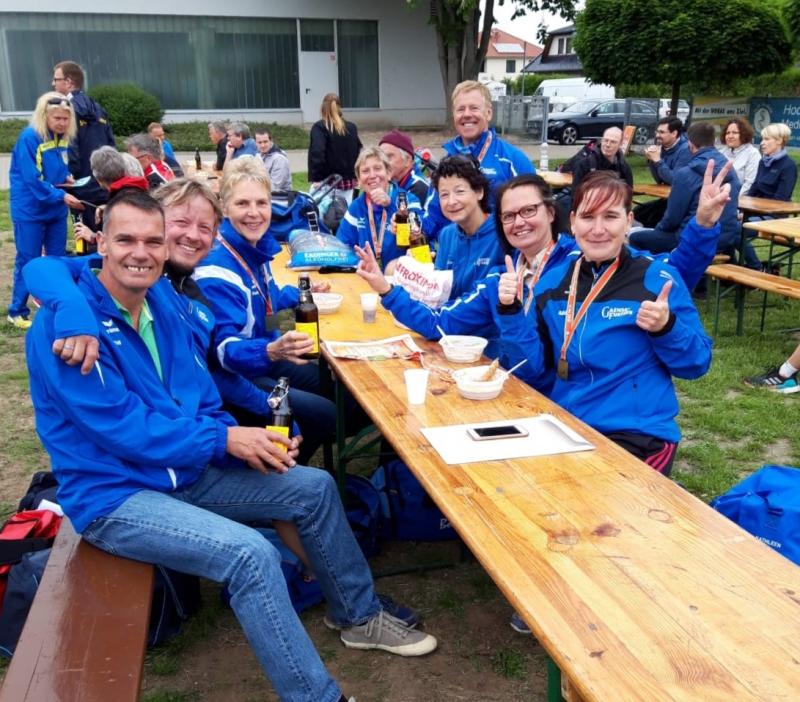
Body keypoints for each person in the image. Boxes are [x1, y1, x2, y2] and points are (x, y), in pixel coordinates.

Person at [25, 188, 437, 702]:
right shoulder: (67, 331)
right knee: (249, 556)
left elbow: (199, 390)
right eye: (126, 240)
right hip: (116, 497)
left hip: (183, 471)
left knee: (312, 488)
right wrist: (224, 438)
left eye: (153, 241)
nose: (141, 252)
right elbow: (122, 429)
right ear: (101, 243)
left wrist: (245, 441)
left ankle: (358, 616)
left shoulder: (162, 301)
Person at [355, 163, 732, 365]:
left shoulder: (582, 258)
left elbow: (669, 273)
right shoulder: (500, 280)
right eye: (509, 216)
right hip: (522, 386)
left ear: (551, 213)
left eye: (529, 211)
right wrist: (386, 290)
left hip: (580, 399)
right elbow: (442, 324)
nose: (519, 222)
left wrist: (702, 226)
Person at [193, 158, 341, 458]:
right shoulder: (217, 269)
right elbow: (223, 351)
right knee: (324, 413)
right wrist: (272, 350)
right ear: (224, 207)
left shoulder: (253, 247)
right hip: (238, 371)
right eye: (242, 203)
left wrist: (302, 293)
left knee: (334, 386)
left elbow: (266, 296)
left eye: (262, 203)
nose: (254, 212)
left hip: (264, 352)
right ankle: (286, 467)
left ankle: (299, 449)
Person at [422, 80, 534, 239]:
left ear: (489, 113)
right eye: (461, 109)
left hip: (500, 249)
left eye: (474, 108)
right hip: (458, 249)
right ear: (454, 115)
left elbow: (535, 212)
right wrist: (412, 225)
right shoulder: (446, 164)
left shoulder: (512, 160)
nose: (467, 114)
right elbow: (432, 218)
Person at [7, 92, 83, 329]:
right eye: (57, 118)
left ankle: (53, 304)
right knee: (28, 258)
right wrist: (62, 195)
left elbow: (57, 165)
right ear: (44, 116)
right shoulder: (30, 138)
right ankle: (17, 310)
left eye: (65, 119)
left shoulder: (62, 137)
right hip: (30, 208)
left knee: (57, 257)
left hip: (55, 208)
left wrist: (66, 177)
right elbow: (33, 178)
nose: (61, 123)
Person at [629, 122, 741, 257]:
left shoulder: (687, 173)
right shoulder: (729, 169)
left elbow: (672, 219)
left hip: (691, 239)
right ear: (714, 141)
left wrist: (658, 232)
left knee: (635, 238)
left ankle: (655, 269)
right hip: (723, 239)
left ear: (690, 144)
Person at [51, 60, 116, 230]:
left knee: (84, 234)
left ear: (68, 82)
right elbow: (111, 145)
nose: (52, 84)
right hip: (104, 181)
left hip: (81, 184)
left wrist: (70, 178)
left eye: (56, 79)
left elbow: (71, 149)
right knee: (104, 232)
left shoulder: (67, 110)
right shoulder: (98, 108)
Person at [335, 147, 422, 271]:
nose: (372, 175)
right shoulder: (356, 207)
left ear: (388, 173)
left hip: (401, 275)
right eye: (365, 171)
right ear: (358, 180)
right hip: (368, 275)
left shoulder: (409, 200)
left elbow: (419, 234)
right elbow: (341, 247)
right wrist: (360, 262)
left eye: (377, 168)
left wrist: (390, 206)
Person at [431, 155, 504, 299]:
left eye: (460, 191)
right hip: (449, 312)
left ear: (479, 192)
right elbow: (439, 291)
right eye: (444, 195)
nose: (451, 201)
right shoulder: (446, 235)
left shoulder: (503, 232)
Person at [735, 123, 797, 271]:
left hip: (774, 218)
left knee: (736, 230)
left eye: (767, 139)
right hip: (754, 213)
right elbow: (754, 189)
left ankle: (757, 268)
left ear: (780, 141)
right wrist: (742, 210)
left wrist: (749, 214)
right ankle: (732, 264)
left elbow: (780, 201)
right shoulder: (763, 162)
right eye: (762, 139)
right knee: (725, 224)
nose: (762, 143)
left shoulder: (789, 166)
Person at [635, 117, 692, 227]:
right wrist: (651, 160)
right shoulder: (662, 147)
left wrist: (658, 160)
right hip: (666, 197)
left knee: (652, 218)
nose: (657, 135)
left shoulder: (685, 150)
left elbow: (674, 180)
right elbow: (659, 180)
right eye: (656, 132)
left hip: (681, 202)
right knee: (637, 212)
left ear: (674, 133)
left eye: (662, 132)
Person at [308, 93, 362, 203]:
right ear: (339, 107)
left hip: (327, 183)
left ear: (322, 107)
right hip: (348, 183)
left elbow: (317, 152)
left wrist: (316, 178)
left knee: (319, 212)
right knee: (345, 211)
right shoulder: (352, 128)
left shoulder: (320, 127)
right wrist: (357, 176)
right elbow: (358, 152)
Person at [571, 127, 633, 191]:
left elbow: (628, 193)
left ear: (620, 144)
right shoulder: (585, 164)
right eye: (606, 140)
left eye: (613, 142)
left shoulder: (624, 168)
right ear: (602, 140)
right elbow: (576, 194)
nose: (608, 145)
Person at [379, 129, 429, 203]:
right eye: (380, 157)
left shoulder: (418, 188)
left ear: (407, 160)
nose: (383, 162)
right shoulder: (393, 181)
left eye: (389, 156)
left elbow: (401, 209)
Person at [717, 118, 760, 195]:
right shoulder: (721, 152)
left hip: (740, 199)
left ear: (744, 134)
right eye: (728, 133)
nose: (730, 136)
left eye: (735, 133)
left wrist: (735, 199)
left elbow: (749, 183)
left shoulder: (753, 154)